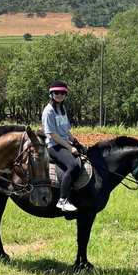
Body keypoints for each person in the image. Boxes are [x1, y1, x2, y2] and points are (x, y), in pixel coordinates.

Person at [42, 80, 82, 212]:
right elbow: (53, 134)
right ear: (51, 94)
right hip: (54, 146)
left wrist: (75, 141)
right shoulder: (48, 111)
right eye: (56, 93)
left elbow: (66, 130)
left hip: (63, 143)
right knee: (73, 166)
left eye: (62, 93)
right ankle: (63, 199)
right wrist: (69, 147)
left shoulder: (62, 109)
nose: (59, 95)